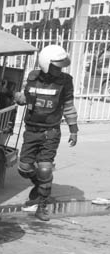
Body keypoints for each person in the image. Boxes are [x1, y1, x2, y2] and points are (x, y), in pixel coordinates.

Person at [14, 44, 78, 221]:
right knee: (24, 168)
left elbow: (68, 106)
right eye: (56, 67)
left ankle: (42, 204)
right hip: (31, 131)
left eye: (61, 67)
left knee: (44, 167)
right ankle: (41, 184)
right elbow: (26, 97)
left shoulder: (65, 81)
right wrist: (16, 96)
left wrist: (73, 129)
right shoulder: (33, 77)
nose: (60, 70)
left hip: (50, 132)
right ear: (45, 64)